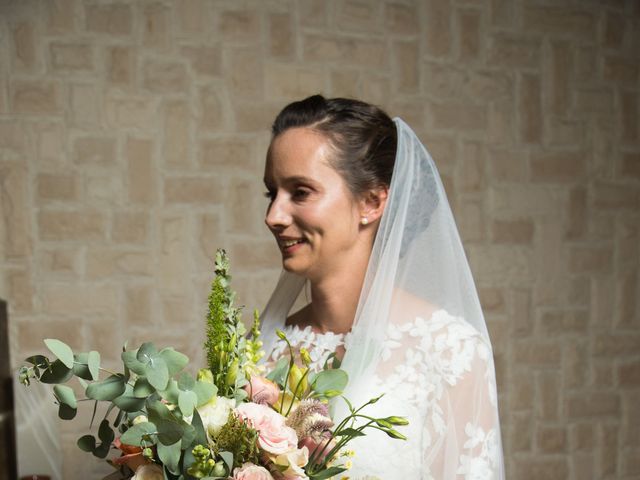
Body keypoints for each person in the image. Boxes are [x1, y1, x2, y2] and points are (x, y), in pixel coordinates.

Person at [259, 95, 505, 479]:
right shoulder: (265, 349)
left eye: (301, 192)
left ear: (371, 202)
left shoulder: (450, 350)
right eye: (272, 192)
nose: (273, 215)